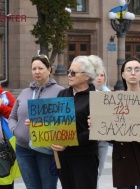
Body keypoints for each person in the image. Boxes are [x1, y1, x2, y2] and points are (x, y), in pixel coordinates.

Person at [91, 56, 140, 189]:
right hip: (123, 159)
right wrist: (96, 126)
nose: (133, 72)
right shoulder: (114, 99)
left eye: (137, 69)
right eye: (129, 69)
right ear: (123, 74)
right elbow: (110, 135)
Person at [8, 54, 64, 189]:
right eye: (34, 69)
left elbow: (65, 121)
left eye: (41, 68)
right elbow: (12, 117)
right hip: (23, 148)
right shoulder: (25, 92)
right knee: (32, 187)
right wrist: (15, 131)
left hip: (47, 149)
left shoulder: (60, 92)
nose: (37, 72)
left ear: (49, 69)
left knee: (48, 187)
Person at [51, 55, 104, 189]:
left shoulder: (96, 98)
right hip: (63, 157)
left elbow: (95, 132)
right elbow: (55, 121)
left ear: (86, 76)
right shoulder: (63, 94)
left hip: (84, 158)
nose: (69, 75)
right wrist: (38, 123)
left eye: (73, 72)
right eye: (69, 71)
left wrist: (67, 142)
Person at [93, 62, 111, 188]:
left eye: (102, 75)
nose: (99, 77)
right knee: (90, 171)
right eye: (97, 75)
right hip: (89, 138)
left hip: (103, 139)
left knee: (99, 169)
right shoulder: (86, 93)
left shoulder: (109, 94)